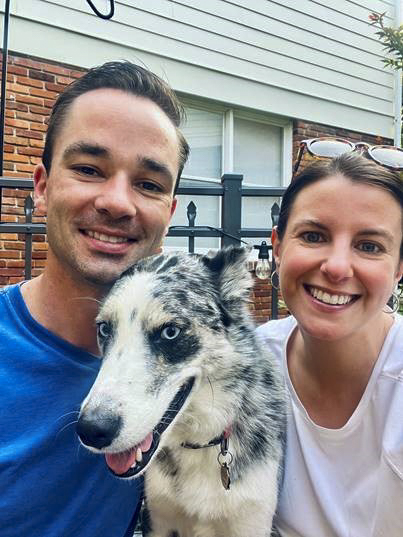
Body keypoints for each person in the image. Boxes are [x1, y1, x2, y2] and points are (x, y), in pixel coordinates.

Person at [0, 61, 189, 537]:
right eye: (88, 169)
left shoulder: (189, 363)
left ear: (168, 213)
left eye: (148, 184)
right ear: (42, 186)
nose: (118, 202)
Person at [257, 152, 403, 537]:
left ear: (400, 268)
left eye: (369, 246)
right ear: (277, 245)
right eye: (314, 236)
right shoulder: (246, 364)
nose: (337, 267)